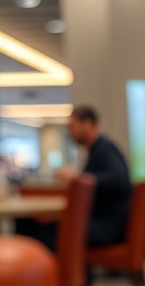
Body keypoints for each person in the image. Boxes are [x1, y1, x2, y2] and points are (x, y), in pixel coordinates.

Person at [56, 104, 132, 246]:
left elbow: (118, 178)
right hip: (107, 222)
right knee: (54, 227)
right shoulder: (98, 149)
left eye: (72, 126)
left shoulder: (104, 149)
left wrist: (77, 178)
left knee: (52, 231)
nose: (69, 132)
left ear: (88, 124)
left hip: (109, 226)